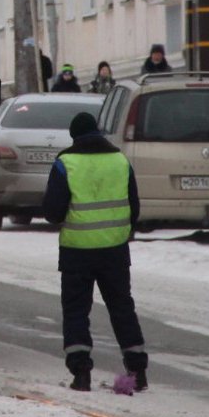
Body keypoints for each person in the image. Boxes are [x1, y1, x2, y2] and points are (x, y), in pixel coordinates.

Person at [41, 111, 147, 393]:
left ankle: (81, 373)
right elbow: (134, 208)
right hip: (114, 250)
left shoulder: (66, 163)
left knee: (76, 311)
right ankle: (138, 370)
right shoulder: (120, 161)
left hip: (77, 250)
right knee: (122, 308)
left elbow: (52, 212)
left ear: (74, 136)